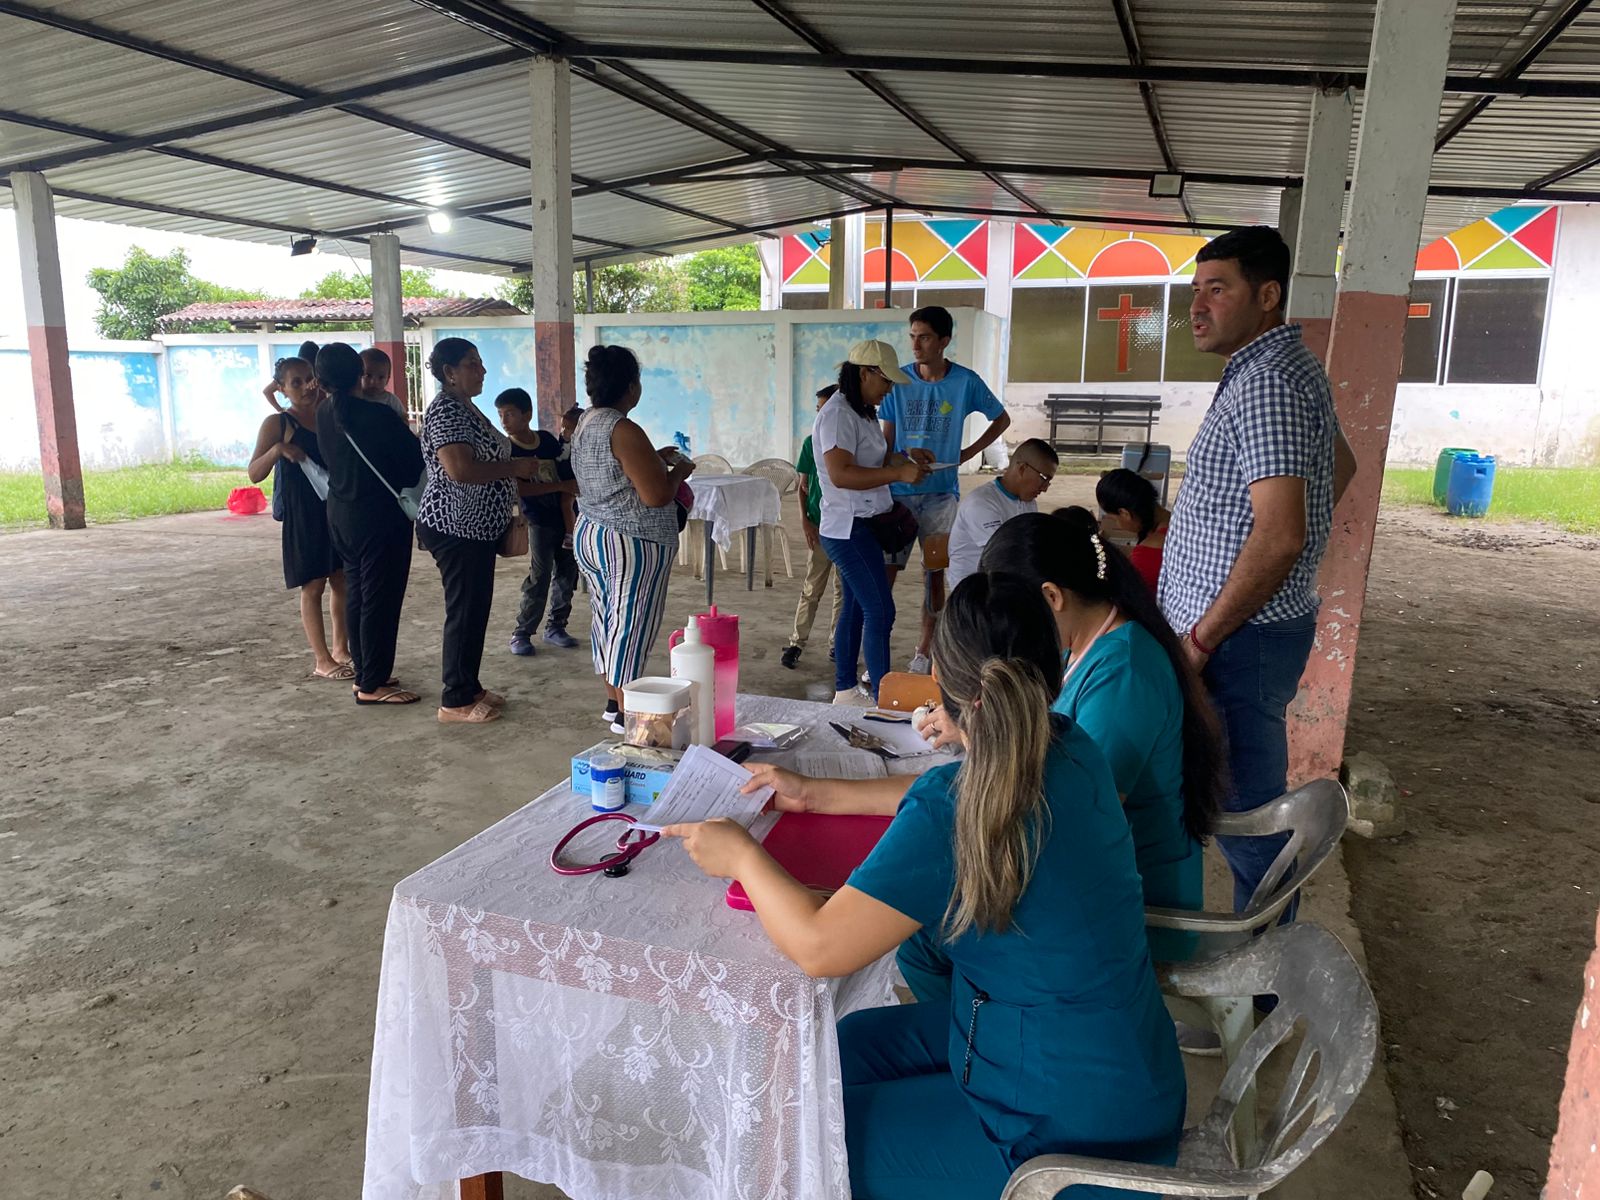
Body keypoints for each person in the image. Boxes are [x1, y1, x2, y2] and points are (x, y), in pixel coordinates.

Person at [667, 573, 1186, 1200]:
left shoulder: (957, 807)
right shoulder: (1072, 748)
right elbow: (963, 794)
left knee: (796, 1137)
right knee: (829, 1052)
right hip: (1117, 1072)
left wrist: (742, 857)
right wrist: (818, 793)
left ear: (948, 687)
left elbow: (819, 947)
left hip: (1066, 1139)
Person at [1161, 226, 1358, 929]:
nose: (1198, 307)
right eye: (1196, 291)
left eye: (1218, 289)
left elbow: (1279, 535)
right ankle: (1265, 952)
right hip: (1247, 631)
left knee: (1248, 822)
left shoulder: (1268, 381)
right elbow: (1341, 466)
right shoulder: (1277, 366)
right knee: (1235, 804)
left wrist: (1201, 640)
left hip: (1235, 641)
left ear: (1267, 295)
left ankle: (1266, 967)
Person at [415, 337, 541, 725]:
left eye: (480, 362)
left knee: (475, 608)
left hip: (477, 529)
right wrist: (515, 468)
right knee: (465, 610)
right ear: (449, 372)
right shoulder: (446, 411)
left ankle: (469, 687)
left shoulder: (465, 406)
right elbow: (460, 470)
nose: (482, 370)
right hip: (455, 526)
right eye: (472, 364)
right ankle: (454, 699)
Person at [878, 305, 1011, 674]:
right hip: (898, 494)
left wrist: (968, 452)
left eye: (924, 337)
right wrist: (898, 463)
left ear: (944, 341)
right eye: (912, 337)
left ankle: (925, 651)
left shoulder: (965, 382)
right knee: (885, 574)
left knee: (934, 574)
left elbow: (1001, 418)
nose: (915, 345)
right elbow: (886, 444)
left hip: (941, 495)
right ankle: (877, 650)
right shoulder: (898, 383)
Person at [570, 345, 696, 734]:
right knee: (630, 628)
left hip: (592, 532)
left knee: (607, 622)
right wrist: (680, 471)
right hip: (631, 542)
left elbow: (613, 468)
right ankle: (629, 718)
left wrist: (652, 457)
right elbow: (656, 495)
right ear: (630, 386)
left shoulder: (586, 421)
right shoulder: (624, 429)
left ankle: (614, 702)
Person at [815, 341, 931, 705]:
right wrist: (897, 473)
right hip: (847, 527)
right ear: (865, 373)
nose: (889, 389)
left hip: (863, 523)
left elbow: (872, 459)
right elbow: (841, 474)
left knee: (855, 608)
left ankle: (846, 690)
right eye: (886, 381)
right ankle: (885, 699)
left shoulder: (862, 411)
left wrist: (904, 458)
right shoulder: (838, 414)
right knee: (880, 610)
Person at [314, 343, 424, 706]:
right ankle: (372, 685)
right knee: (381, 599)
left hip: (341, 514)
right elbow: (413, 462)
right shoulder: (377, 415)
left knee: (359, 593)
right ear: (359, 375)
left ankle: (367, 671)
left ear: (320, 381)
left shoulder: (323, 412)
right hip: (379, 518)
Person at [247, 354, 350, 681]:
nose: (307, 387)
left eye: (310, 379)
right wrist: (278, 450)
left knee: (342, 579)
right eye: (296, 382)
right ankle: (322, 659)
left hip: (336, 509)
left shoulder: (330, 413)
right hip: (304, 514)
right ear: (281, 389)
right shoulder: (278, 424)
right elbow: (254, 473)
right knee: (313, 584)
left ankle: (341, 648)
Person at [493, 387, 580, 656]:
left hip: (565, 516)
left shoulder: (546, 441)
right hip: (538, 520)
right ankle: (522, 632)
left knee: (567, 572)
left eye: (510, 414)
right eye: (501, 415)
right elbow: (520, 489)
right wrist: (560, 486)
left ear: (527, 415)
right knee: (540, 575)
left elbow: (565, 465)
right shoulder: (508, 449)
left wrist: (566, 488)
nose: (504, 421)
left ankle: (556, 626)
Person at [779, 385, 843, 671]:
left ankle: (837, 643)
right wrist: (805, 520)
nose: (821, 415)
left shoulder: (848, 442)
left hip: (845, 527)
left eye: (825, 409)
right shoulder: (811, 442)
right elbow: (803, 486)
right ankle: (797, 642)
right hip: (819, 525)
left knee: (843, 590)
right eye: (818, 410)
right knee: (812, 587)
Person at [943, 437, 1057, 592]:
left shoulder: (1028, 501)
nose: (1045, 488)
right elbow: (1003, 555)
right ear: (1022, 469)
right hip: (974, 591)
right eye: (1044, 479)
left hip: (1004, 581)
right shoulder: (982, 503)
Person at [1097, 468, 1170, 593]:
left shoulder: (1147, 553)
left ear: (1124, 513)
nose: (1118, 525)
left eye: (1114, 519)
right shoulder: (1174, 522)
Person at [264, 339, 323, 413]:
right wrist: (281, 410)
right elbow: (267, 391)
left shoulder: (322, 374)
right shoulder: (290, 373)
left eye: (309, 378)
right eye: (296, 383)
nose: (305, 386)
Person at [358, 347, 410, 422]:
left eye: (381, 377)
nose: (374, 382)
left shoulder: (391, 400)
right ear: (358, 375)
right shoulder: (357, 398)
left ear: (388, 379)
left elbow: (404, 420)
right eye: (368, 376)